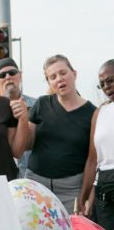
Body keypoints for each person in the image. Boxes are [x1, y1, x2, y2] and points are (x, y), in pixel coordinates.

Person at [24, 55, 97, 215]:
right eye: (53, 77)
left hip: (72, 189)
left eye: (63, 73)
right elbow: (27, 144)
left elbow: (92, 160)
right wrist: (22, 118)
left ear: (74, 74)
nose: (59, 79)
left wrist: (86, 196)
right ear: (49, 82)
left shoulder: (92, 113)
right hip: (36, 184)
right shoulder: (41, 104)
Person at [80, 60, 114, 228]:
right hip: (105, 186)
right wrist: (84, 196)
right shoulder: (100, 112)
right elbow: (93, 159)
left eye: (110, 80)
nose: (107, 87)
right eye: (102, 84)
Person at [0, 58, 37, 178]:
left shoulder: (37, 106)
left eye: (12, 72)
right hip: (3, 179)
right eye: (2, 75)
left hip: (34, 178)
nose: (8, 77)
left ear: (20, 75)